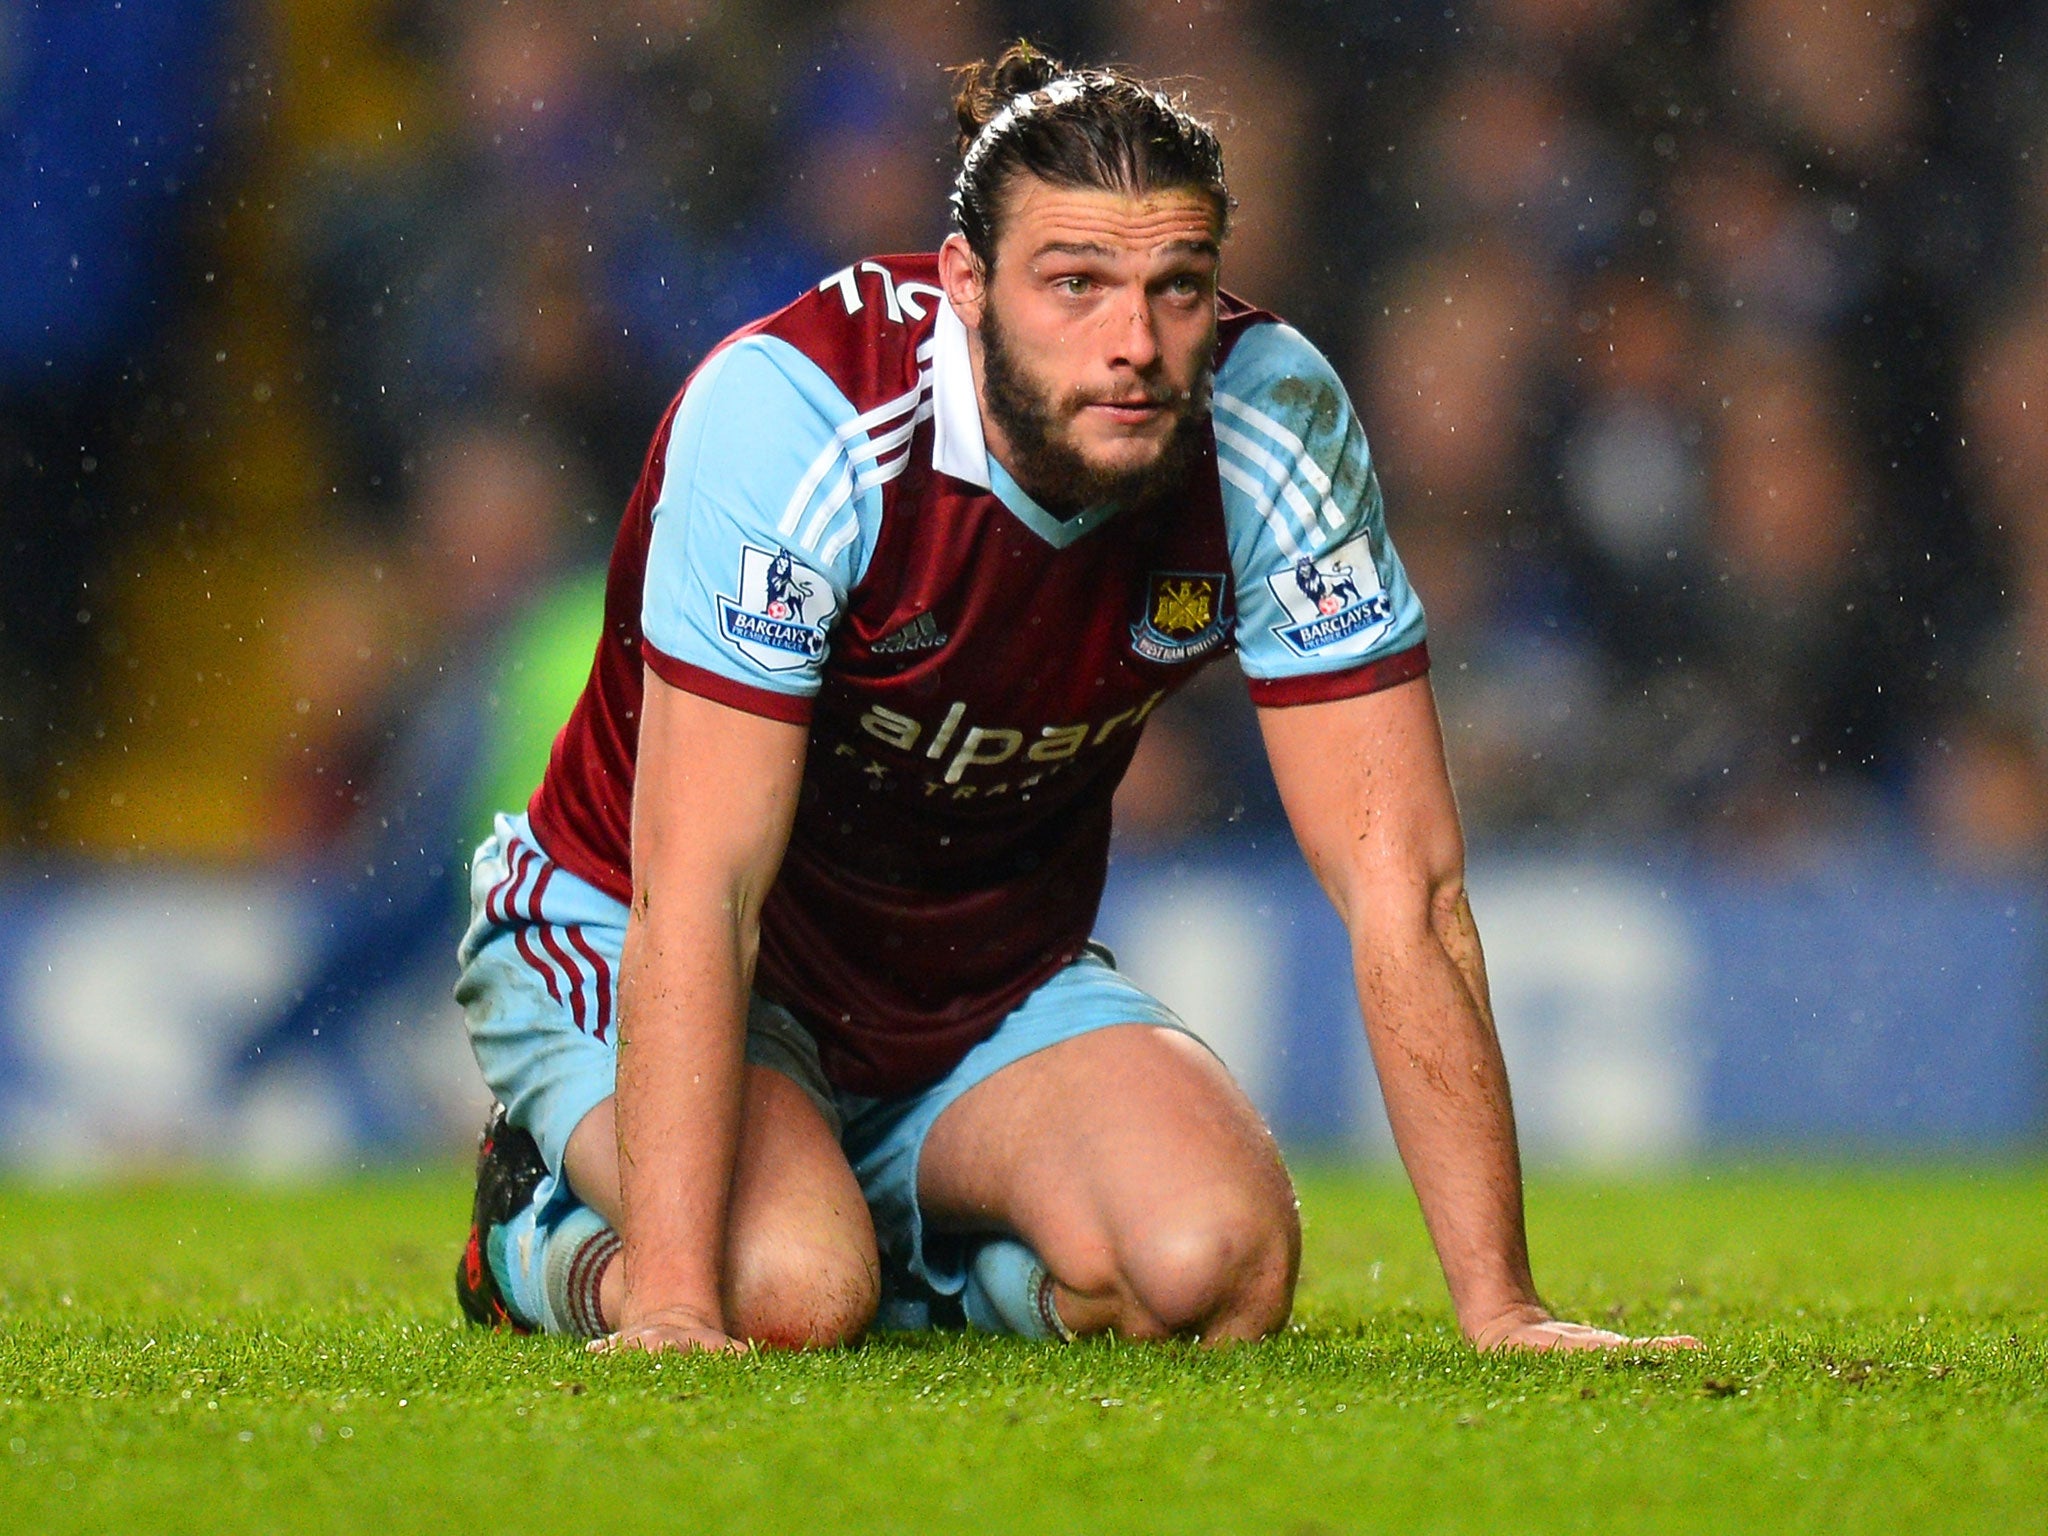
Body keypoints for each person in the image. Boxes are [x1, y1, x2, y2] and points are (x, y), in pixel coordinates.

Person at [452, 43, 1699, 1355]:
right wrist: (670, 1306)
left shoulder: (1273, 423)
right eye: (1076, 285)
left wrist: (1501, 1307)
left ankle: (854, 1233)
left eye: (1177, 289)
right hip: (628, 934)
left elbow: (1409, 886)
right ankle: (535, 1234)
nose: (1135, 346)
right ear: (967, 287)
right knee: (783, 1293)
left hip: (973, 993)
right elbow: (699, 889)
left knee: (1211, 1270)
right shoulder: (798, 421)